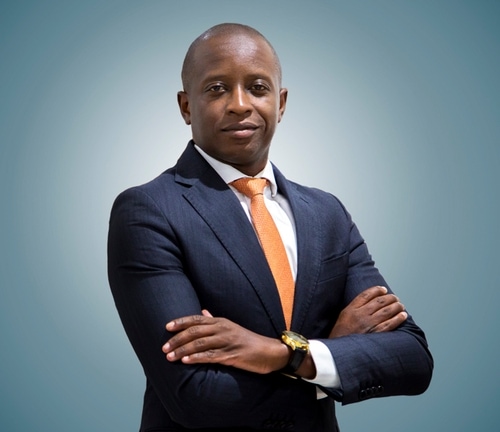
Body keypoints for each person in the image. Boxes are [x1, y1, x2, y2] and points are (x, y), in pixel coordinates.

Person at [107, 23, 433, 431]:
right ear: (186, 106)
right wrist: (330, 354)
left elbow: (412, 360)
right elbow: (195, 397)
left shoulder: (327, 214)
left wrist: (283, 353)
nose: (240, 104)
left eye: (258, 88)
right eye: (216, 89)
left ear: (281, 103)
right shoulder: (149, 211)